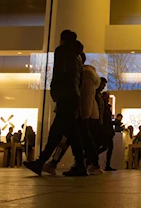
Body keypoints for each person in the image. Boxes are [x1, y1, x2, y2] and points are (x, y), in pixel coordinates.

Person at [24, 30, 87, 176]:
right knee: (66, 132)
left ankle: (43, 162)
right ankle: (45, 162)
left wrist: (55, 92)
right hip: (73, 95)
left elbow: (59, 71)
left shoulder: (62, 50)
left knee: (61, 132)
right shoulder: (78, 56)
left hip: (65, 95)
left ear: (62, 39)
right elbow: (79, 79)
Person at [102, 91, 116, 171]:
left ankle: (107, 165)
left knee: (108, 147)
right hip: (106, 130)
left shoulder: (106, 106)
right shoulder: (104, 106)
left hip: (108, 130)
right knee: (106, 146)